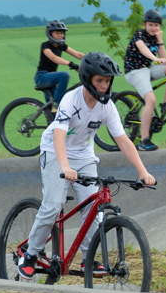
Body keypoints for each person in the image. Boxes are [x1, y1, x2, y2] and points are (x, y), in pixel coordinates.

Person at [17, 52, 156, 281]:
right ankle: (30, 254)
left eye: (108, 81)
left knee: (93, 208)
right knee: (54, 204)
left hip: (83, 155)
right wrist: (65, 168)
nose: (104, 85)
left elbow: (123, 141)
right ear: (87, 78)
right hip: (54, 151)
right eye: (99, 80)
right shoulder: (71, 100)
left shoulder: (107, 107)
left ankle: (87, 259)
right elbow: (59, 137)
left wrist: (143, 172)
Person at [122, 9, 166, 151]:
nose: (153, 28)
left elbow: (165, 60)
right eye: (150, 25)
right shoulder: (139, 34)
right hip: (134, 71)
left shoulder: (156, 37)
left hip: (147, 70)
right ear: (144, 25)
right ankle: (144, 140)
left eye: (156, 25)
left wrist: (160, 41)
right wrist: (155, 59)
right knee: (151, 100)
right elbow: (143, 49)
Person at [35, 20, 84, 111]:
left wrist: (93, 59)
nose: (60, 35)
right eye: (57, 33)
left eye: (62, 33)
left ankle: (53, 115)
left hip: (52, 79)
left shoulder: (62, 46)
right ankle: (57, 103)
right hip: (42, 77)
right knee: (64, 75)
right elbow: (54, 58)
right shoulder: (45, 46)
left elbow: (78, 54)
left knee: (53, 113)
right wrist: (71, 64)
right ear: (50, 34)